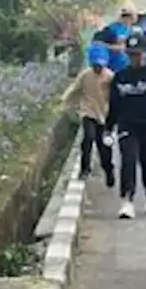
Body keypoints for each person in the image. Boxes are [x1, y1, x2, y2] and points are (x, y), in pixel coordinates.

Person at [106, 35, 146, 219]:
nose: (136, 58)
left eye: (139, 54)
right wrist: (108, 127)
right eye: (132, 54)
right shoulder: (120, 77)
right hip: (127, 125)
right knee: (128, 160)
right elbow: (114, 104)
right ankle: (127, 200)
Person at [63, 43, 115, 186]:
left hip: (104, 114)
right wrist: (65, 101)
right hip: (88, 111)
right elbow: (75, 89)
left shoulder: (110, 77)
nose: (98, 68)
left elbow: (116, 97)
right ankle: (85, 169)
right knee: (88, 138)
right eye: (95, 65)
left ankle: (109, 170)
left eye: (100, 65)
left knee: (104, 146)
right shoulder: (86, 75)